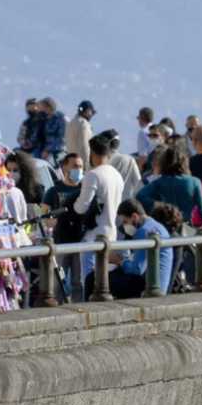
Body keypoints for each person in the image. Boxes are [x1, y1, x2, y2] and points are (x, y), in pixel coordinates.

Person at [135, 146, 202, 233]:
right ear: (185, 162)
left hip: (165, 229)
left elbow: (140, 196)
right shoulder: (195, 182)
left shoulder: (159, 182)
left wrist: (158, 204)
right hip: (186, 229)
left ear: (164, 163)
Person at [75, 135, 125, 279]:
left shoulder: (93, 175)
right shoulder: (117, 175)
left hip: (93, 236)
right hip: (112, 233)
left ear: (93, 153)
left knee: (89, 281)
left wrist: (73, 203)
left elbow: (81, 207)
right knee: (106, 281)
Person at [103, 130, 142, 201]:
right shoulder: (129, 160)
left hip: (105, 205)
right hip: (125, 205)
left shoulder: (99, 161)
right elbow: (138, 184)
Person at [64, 100, 95, 168]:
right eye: (91, 112)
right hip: (80, 163)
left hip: (70, 162)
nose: (91, 115)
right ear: (87, 111)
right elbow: (85, 146)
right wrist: (87, 165)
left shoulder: (71, 123)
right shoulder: (84, 125)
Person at [37, 97, 68, 164]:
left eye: (42, 107)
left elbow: (61, 138)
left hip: (58, 151)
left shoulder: (60, 118)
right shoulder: (44, 119)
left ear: (48, 107)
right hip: (45, 151)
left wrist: (48, 150)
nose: (41, 110)